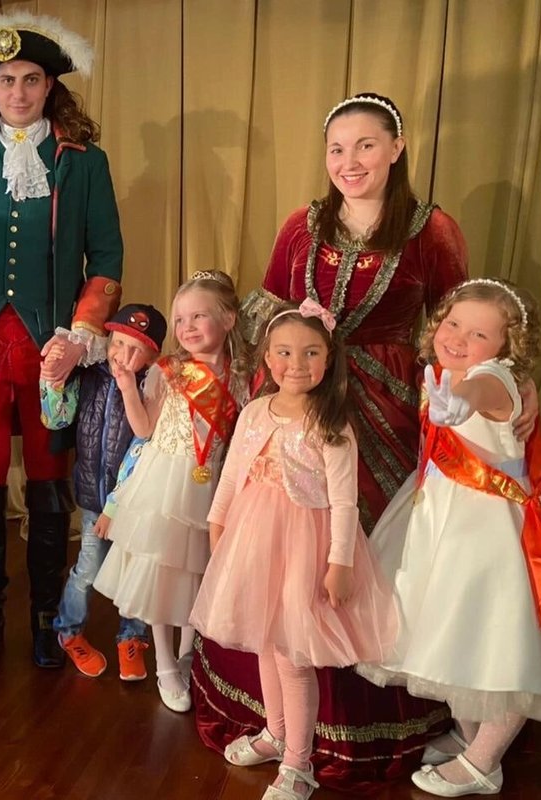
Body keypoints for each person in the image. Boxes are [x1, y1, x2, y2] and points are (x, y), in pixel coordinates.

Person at [191, 93, 479, 788]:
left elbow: (457, 327)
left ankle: (358, 728)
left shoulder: (432, 230)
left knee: (363, 556)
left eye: (365, 146)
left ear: (396, 148)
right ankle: (278, 727)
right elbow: (267, 310)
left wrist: (486, 399)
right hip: (298, 390)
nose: (350, 162)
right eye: (337, 149)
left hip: (387, 412)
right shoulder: (303, 224)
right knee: (275, 562)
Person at [0, 12, 123, 669]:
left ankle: (45, 617)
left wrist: (81, 336)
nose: (18, 92)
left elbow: (106, 261)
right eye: (7, 80)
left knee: (47, 486)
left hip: (50, 355)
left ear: (50, 85)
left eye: (31, 79)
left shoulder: (83, 164)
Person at [358, 279, 541, 797]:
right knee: (453, 634)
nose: (458, 338)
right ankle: (470, 735)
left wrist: (463, 399)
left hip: (491, 533)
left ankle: (483, 760)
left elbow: (481, 392)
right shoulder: (448, 370)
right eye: (452, 324)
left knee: (501, 643)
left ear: (507, 348)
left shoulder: (492, 379)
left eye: (478, 335)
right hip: (441, 518)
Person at [191, 299, 397, 800]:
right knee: (267, 641)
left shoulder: (332, 423)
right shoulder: (255, 412)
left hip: (306, 546)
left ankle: (298, 764)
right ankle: (276, 731)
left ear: (329, 358)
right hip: (254, 539)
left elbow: (344, 502)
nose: (296, 364)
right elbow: (231, 476)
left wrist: (340, 563)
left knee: (293, 656)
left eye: (310, 353)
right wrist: (217, 526)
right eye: (284, 352)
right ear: (267, 357)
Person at [94, 271, 249, 712]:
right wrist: (128, 387)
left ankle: (189, 654)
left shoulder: (243, 376)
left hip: (212, 483)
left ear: (229, 319)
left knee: (197, 570)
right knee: (162, 570)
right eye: (180, 319)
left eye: (199, 316)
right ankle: (164, 662)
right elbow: (144, 429)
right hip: (165, 483)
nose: (187, 326)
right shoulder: (170, 371)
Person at [40, 303, 167, 679]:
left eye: (135, 349)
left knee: (134, 574)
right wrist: (51, 382)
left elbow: (144, 444)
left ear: (152, 357)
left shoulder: (152, 387)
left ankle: (132, 638)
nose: (122, 355)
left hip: (134, 502)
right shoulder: (90, 376)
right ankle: (69, 631)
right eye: (118, 342)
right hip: (94, 499)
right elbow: (56, 419)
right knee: (87, 570)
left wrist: (129, 388)